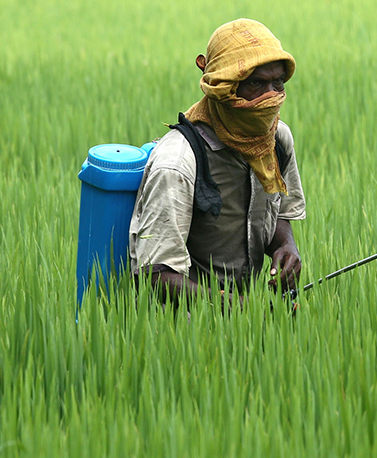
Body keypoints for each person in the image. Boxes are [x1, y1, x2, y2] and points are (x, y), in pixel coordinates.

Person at [129, 19, 305, 305]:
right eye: (256, 84)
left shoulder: (276, 139)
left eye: (278, 83)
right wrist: (233, 307)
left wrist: (286, 246)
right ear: (225, 88)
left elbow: (280, 212)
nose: (271, 97)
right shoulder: (177, 162)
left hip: (242, 312)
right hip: (182, 321)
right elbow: (155, 274)